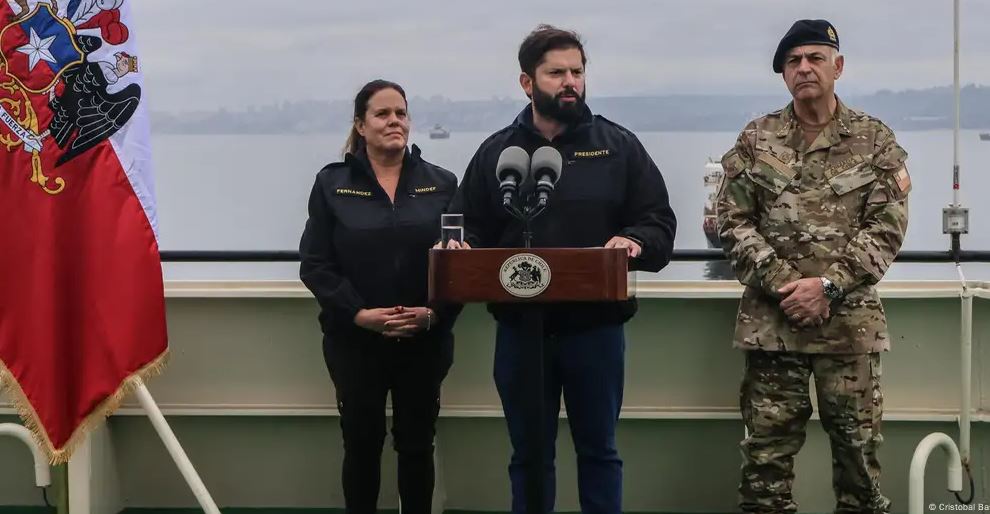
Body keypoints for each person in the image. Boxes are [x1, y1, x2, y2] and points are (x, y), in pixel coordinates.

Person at [449, 25, 677, 514]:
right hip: (519, 331)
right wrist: (461, 245)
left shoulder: (618, 147)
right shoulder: (497, 153)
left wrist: (634, 241)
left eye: (577, 71)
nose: (570, 81)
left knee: (599, 452)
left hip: (595, 330)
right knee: (529, 456)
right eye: (556, 73)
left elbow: (659, 224)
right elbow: (468, 227)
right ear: (527, 83)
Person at [716, 19, 911, 513]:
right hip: (773, 329)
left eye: (815, 58)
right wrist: (788, 285)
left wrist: (829, 286)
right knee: (764, 468)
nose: (804, 68)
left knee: (859, 466)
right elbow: (732, 222)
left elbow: (887, 227)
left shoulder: (874, 140)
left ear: (837, 67)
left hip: (848, 331)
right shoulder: (756, 140)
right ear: (783, 74)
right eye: (793, 61)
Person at [299, 79, 460, 514]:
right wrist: (358, 314)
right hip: (356, 344)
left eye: (401, 113)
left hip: (423, 341)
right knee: (362, 444)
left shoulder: (442, 184)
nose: (395, 122)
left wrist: (434, 314)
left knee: (416, 445)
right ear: (361, 124)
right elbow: (314, 264)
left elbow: (459, 266)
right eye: (383, 114)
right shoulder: (332, 185)